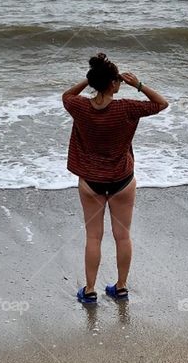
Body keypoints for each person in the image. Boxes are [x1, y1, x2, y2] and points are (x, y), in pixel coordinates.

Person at [62, 52, 169, 305]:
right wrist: (138, 85)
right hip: (122, 179)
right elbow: (161, 103)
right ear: (113, 84)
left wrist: (89, 82)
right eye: (118, 81)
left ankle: (89, 291)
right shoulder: (127, 108)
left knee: (93, 237)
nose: (120, 84)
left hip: (90, 181)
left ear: (94, 82)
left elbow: (67, 96)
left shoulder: (79, 107)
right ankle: (121, 288)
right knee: (122, 236)